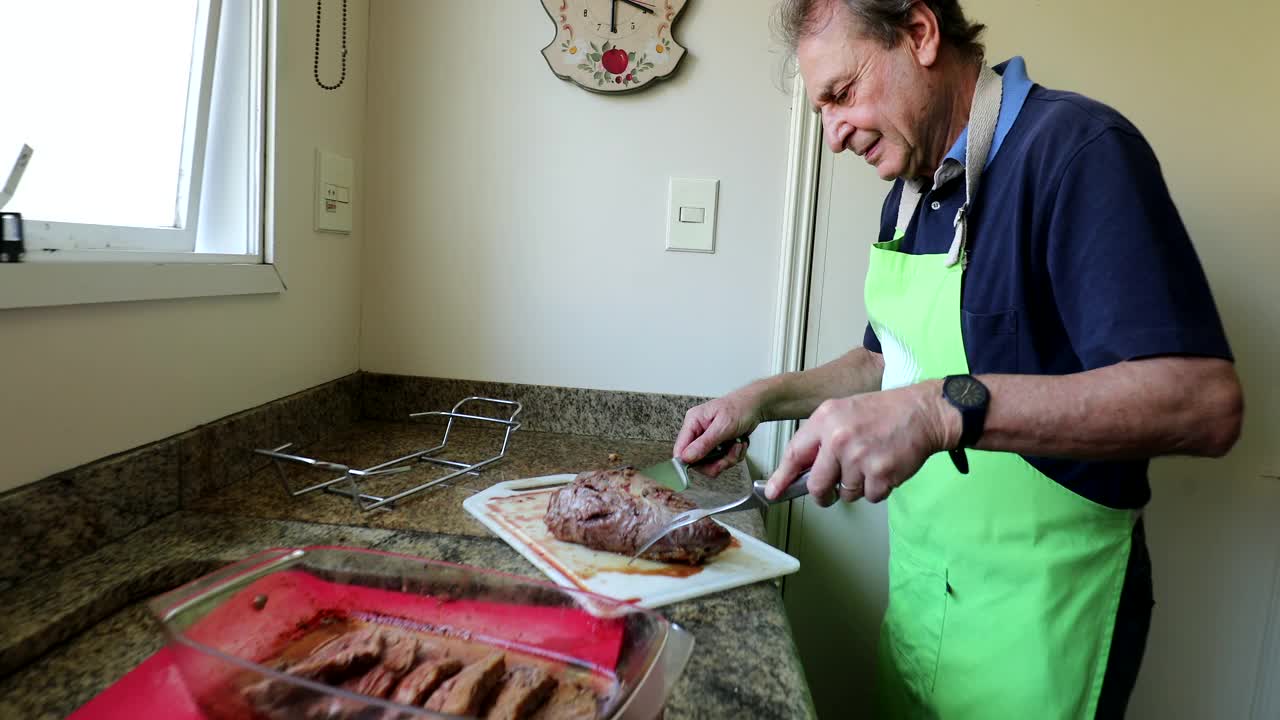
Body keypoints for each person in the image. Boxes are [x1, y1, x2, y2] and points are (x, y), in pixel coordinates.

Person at [672, 0, 1245, 717]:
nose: (834, 136)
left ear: (919, 33)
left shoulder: (1076, 151)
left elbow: (1203, 402)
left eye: (841, 95)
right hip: (925, 604)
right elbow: (891, 363)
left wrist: (936, 412)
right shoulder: (912, 190)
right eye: (821, 110)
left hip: (1039, 630)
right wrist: (759, 398)